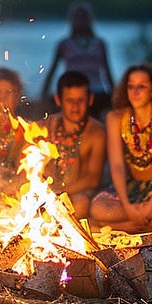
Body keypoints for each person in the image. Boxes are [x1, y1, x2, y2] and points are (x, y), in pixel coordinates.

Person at [90, 64, 152, 233]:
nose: (134, 91)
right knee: (98, 209)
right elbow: (117, 166)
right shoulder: (115, 118)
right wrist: (128, 207)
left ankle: (115, 228)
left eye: (141, 86)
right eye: (131, 86)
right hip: (130, 188)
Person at [42, 71, 107, 221]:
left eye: (80, 100)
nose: (75, 106)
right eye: (69, 100)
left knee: (82, 204)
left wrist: (60, 192)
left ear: (90, 99)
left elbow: (93, 179)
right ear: (58, 100)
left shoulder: (96, 133)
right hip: (47, 192)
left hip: (77, 194)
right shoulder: (46, 126)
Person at [41, 2, 114, 120]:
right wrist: (43, 94)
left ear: (89, 19)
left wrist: (115, 95)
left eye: (83, 17)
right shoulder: (64, 45)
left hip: (97, 91)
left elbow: (107, 71)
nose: (80, 20)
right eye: (77, 17)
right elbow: (52, 70)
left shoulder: (100, 44)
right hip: (72, 90)